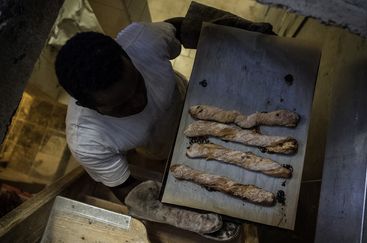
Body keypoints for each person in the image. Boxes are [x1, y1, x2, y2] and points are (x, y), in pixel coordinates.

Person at [55, 3, 274, 237]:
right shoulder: (86, 140)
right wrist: (173, 214)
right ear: (89, 106)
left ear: (127, 57)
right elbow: (122, 185)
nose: (140, 102)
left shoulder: (143, 41)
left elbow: (178, 29)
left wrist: (237, 33)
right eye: (121, 106)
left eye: (138, 85)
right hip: (161, 148)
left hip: (194, 105)